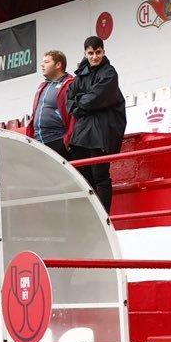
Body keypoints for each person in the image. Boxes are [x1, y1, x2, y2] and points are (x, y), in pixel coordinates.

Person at [65, 35, 126, 213]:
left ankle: (105, 216)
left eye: (98, 52)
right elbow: (70, 101)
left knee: (100, 176)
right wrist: (83, 103)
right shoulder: (80, 76)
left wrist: (81, 102)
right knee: (84, 178)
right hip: (82, 132)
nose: (94, 57)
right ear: (85, 53)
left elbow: (97, 97)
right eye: (90, 53)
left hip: (101, 131)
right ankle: (93, 216)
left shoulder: (109, 73)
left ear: (103, 51)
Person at [24, 49, 75, 158]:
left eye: (46, 62)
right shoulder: (43, 86)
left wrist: (67, 141)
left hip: (58, 141)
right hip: (39, 143)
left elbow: (74, 116)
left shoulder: (70, 84)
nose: (42, 65)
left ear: (58, 65)